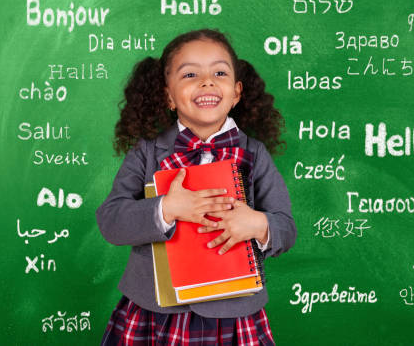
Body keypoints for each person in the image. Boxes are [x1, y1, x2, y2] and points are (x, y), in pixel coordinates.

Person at [96, 29, 296, 345]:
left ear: (236, 92)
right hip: (155, 312)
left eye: (219, 72)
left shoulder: (254, 154)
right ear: (168, 96)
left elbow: (285, 228)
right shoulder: (146, 152)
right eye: (190, 74)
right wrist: (166, 209)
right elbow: (111, 221)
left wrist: (258, 224)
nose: (207, 81)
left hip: (234, 314)